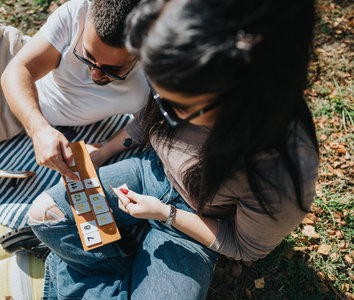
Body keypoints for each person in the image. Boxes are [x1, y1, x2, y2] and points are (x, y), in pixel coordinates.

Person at [28, 0, 319, 298]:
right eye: (158, 93)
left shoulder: (280, 166)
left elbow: (245, 247)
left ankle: (105, 263)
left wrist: (165, 214)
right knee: (46, 215)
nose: (162, 109)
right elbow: (143, 123)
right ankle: (112, 266)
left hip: (197, 225)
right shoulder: (183, 57)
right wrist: (103, 152)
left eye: (177, 106)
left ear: (235, 103)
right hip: (148, 173)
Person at [0, 0, 148, 179]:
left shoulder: (157, 81)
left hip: (5, 113)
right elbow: (17, 71)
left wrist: (104, 152)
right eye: (87, 56)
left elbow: (144, 124)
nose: (94, 73)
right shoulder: (79, 12)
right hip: (9, 51)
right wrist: (40, 131)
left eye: (112, 71)